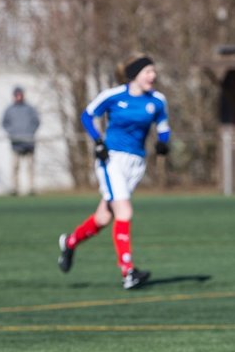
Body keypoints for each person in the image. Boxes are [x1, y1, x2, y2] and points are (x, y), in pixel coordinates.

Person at [57, 54, 169, 290]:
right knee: (124, 211)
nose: (153, 76)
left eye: (153, 71)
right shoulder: (114, 96)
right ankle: (128, 272)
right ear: (135, 75)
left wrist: (163, 142)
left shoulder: (157, 101)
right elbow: (87, 115)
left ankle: (70, 242)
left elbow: (163, 126)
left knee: (104, 217)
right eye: (148, 71)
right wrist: (98, 141)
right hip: (112, 159)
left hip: (136, 163)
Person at [1, 86, 40, 196]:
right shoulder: (9, 110)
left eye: (20, 94)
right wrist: (12, 133)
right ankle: (14, 189)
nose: (18, 96)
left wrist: (30, 133)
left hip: (29, 142)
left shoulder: (30, 109)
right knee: (15, 167)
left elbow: (36, 122)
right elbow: (4, 123)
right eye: (16, 95)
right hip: (16, 143)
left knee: (30, 167)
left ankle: (31, 188)